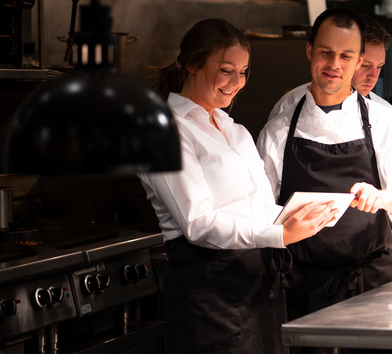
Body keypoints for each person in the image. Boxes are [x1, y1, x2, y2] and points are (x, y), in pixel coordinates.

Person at [137, 18, 338, 354]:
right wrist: (280, 234)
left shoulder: (236, 131)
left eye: (243, 72)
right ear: (190, 64)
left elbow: (257, 209)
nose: (236, 82)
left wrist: (301, 212)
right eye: (226, 70)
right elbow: (197, 223)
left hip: (260, 287)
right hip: (210, 292)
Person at [256, 8, 392, 337]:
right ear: (310, 51)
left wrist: (382, 198)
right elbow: (259, 214)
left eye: (346, 56)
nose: (334, 64)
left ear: (358, 59)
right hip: (299, 289)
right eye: (326, 53)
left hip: (372, 288)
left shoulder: (385, 123)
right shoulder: (278, 131)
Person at [266, 15, 392, 120]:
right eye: (365, 65)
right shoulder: (289, 104)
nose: (373, 77)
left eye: (379, 67)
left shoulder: (386, 114)